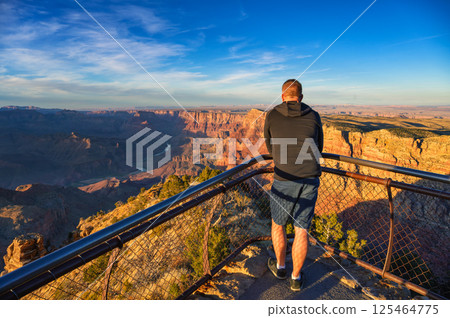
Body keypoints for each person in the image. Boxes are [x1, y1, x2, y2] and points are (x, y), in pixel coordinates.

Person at [264, 79, 323, 291]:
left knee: (278, 225)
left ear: (282, 97)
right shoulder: (314, 115)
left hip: (284, 178)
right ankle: (296, 279)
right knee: (301, 231)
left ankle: (280, 267)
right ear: (301, 97)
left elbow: (271, 148)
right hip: (309, 179)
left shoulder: (272, 114)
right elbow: (319, 147)